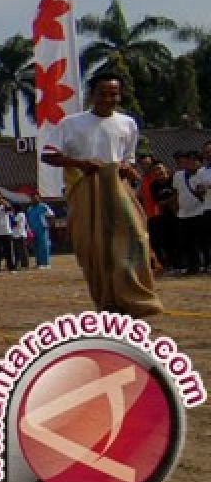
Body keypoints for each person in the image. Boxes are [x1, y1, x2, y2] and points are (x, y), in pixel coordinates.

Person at [41, 71, 163, 316]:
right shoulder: (72, 123)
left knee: (134, 239)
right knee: (95, 248)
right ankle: (107, 302)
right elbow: (48, 155)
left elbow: (127, 157)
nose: (108, 99)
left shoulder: (127, 124)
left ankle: (137, 299)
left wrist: (129, 169)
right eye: (102, 94)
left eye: (113, 94)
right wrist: (81, 163)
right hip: (85, 187)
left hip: (117, 187)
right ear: (92, 95)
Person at [173, 150, 209, 274]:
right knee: (187, 242)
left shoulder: (202, 174)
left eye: (195, 160)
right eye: (189, 160)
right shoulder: (178, 175)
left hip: (199, 211)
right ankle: (192, 267)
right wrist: (176, 209)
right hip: (183, 214)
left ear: (200, 162)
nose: (191, 162)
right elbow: (177, 192)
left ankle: (206, 265)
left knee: (203, 241)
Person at [24, 193, 55, 269]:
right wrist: (28, 229)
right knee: (35, 246)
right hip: (32, 230)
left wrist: (49, 225)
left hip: (42, 229)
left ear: (39, 198)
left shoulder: (43, 206)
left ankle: (46, 263)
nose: (34, 199)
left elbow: (51, 215)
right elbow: (27, 219)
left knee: (44, 246)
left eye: (35, 198)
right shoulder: (30, 208)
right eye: (32, 198)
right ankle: (39, 263)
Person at [10, 206, 30, 270]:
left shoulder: (20, 214)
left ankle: (25, 265)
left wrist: (10, 216)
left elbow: (14, 223)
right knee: (16, 251)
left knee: (22, 251)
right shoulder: (21, 214)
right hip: (16, 235)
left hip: (20, 235)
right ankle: (16, 265)